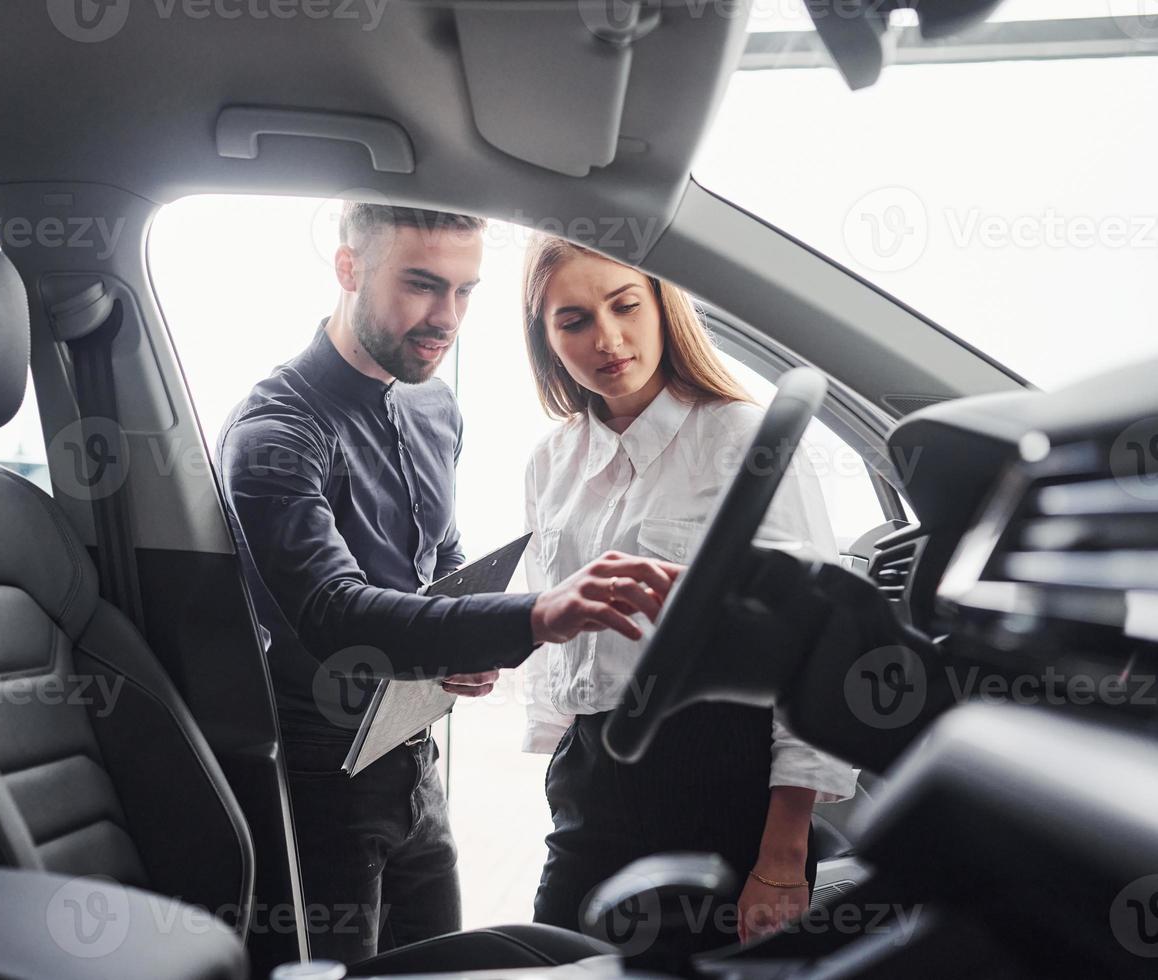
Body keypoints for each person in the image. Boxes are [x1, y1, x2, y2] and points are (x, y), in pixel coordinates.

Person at [216, 204, 680, 964]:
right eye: (424, 287)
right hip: (316, 781)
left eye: (466, 291)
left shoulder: (434, 403)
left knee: (450, 964)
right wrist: (534, 614)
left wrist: (466, 640)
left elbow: (439, 557)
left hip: (411, 760)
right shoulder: (275, 432)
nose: (447, 318)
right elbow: (334, 613)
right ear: (348, 270)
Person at [517, 235, 857, 963]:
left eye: (624, 305)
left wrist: (783, 853)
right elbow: (557, 634)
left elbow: (815, 651)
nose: (607, 339)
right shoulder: (550, 461)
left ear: (663, 303)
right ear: (546, 340)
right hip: (591, 780)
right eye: (573, 321)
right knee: (555, 962)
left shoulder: (743, 438)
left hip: (719, 779)